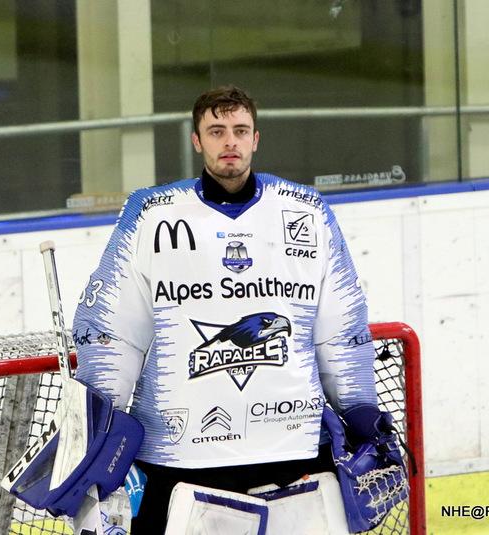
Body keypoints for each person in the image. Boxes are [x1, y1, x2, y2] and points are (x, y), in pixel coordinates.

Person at [72, 85, 380, 533]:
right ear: (196, 141)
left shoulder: (307, 211)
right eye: (216, 131)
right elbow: (112, 331)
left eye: (240, 130)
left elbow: (339, 327)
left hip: (291, 446)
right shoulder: (151, 214)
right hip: (180, 453)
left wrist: (358, 407)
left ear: (256, 138)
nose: (229, 141)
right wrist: (98, 422)